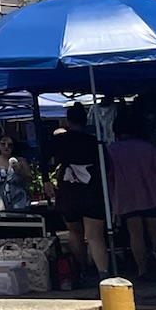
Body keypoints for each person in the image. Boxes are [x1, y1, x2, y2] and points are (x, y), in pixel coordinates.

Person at [48, 104, 109, 281]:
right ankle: (103, 274)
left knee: (74, 233)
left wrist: (46, 180)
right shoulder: (94, 141)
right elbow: (106, 167)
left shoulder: (60, 140)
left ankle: (81, 270)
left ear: (67, 121)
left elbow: (44, 157)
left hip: (69, 191)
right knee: (95, 236)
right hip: (92, 191)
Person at [109, 119, 156, 273]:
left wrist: (113, 202)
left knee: (136, 234)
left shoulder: (111, 150)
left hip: (127, 198)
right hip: (153, 195)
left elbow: (110, 178)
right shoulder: (148, 147)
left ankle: (142, 269)